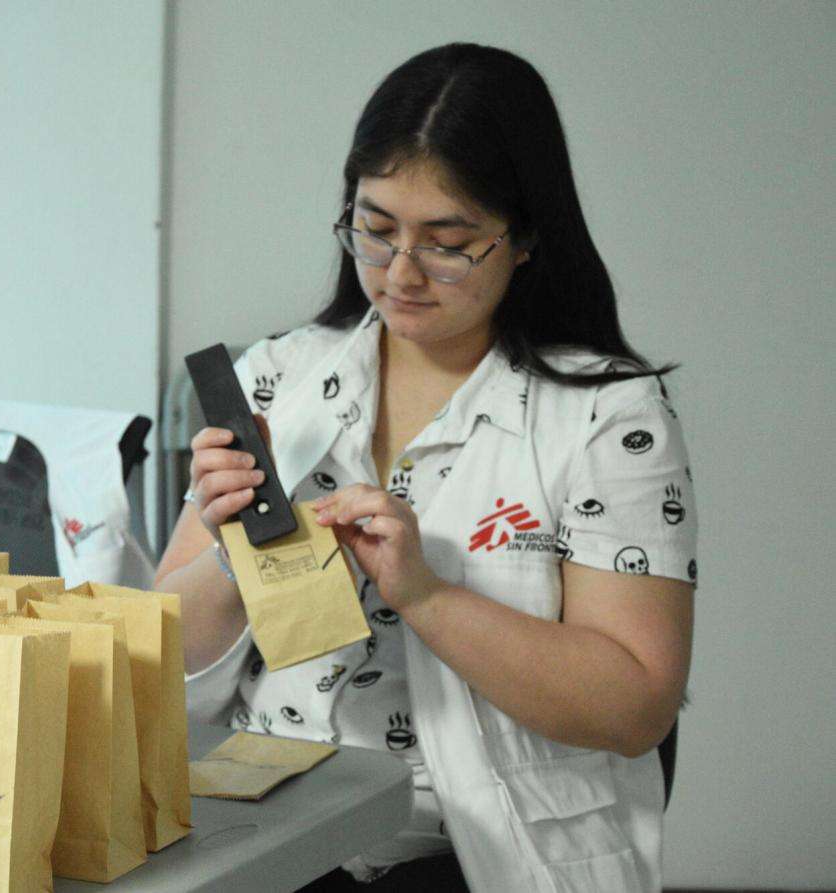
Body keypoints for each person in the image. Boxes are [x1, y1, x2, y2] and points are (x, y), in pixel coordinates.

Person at [154, 43, 698, 892]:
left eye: (449, 243)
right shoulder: (279, 378)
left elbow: (635, 705)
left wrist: (429, 596)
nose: (401, 274)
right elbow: (155, 659)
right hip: (274, 836)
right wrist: (232, 554)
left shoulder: (607, 415)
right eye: (375, 230)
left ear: (524, 240)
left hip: (475, 852)